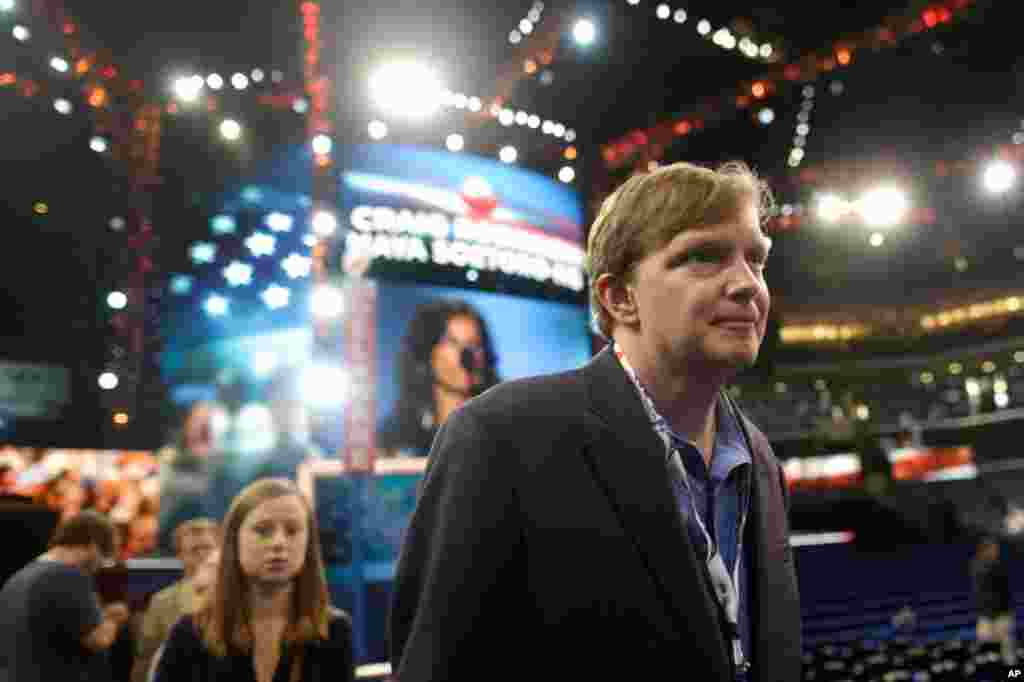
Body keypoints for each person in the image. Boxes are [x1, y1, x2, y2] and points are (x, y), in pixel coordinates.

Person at [390, 161, 802, 680]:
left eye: (756, 260)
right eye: (703, 256)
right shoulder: (499, 439)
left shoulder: (759, 456)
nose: (747, 285)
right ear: (619, 297)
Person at [152, 478, 354, 682]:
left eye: (292, 531)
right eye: (263, 531)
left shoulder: (334, 630)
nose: (279, 543)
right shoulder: (190, 634)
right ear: (234, 540)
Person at [0, 509, 130, 682]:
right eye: (104, 556)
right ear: (93, 546)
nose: (99, 566)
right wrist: (114, 618)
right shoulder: (67, 576)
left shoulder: (19, 577)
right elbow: (98, 639)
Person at [377, 299, 500, 457]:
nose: (467, 354)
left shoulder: (499, 428)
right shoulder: (396, 436)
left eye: (474, 343)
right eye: (452, 342)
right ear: (428, 353)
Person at [131, 518, 220, 682]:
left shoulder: (239, 595)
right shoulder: (162, 601)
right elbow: (145, 658)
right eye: (195, 550)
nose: (202, 555)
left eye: (207, 548)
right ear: (180, 556)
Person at [157, 401, 227, 553]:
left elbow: (211, 489)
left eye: (206, 423)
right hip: (170, 535)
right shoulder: (170, 455)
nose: (201, 427)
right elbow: (167, 482)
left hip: (211, 535)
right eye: (196, 420)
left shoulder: (220, 461)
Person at [972, 536, 1016, 665]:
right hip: (986, 616)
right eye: (993, 548)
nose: (996, 551)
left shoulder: (1000, 565)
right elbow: (982, 589)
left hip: (1002, 614)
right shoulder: (977, 566)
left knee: (1008, 652)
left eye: (996, 549)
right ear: (984, 550)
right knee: (987, 651)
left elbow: (1005, 590)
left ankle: (1013, 674)